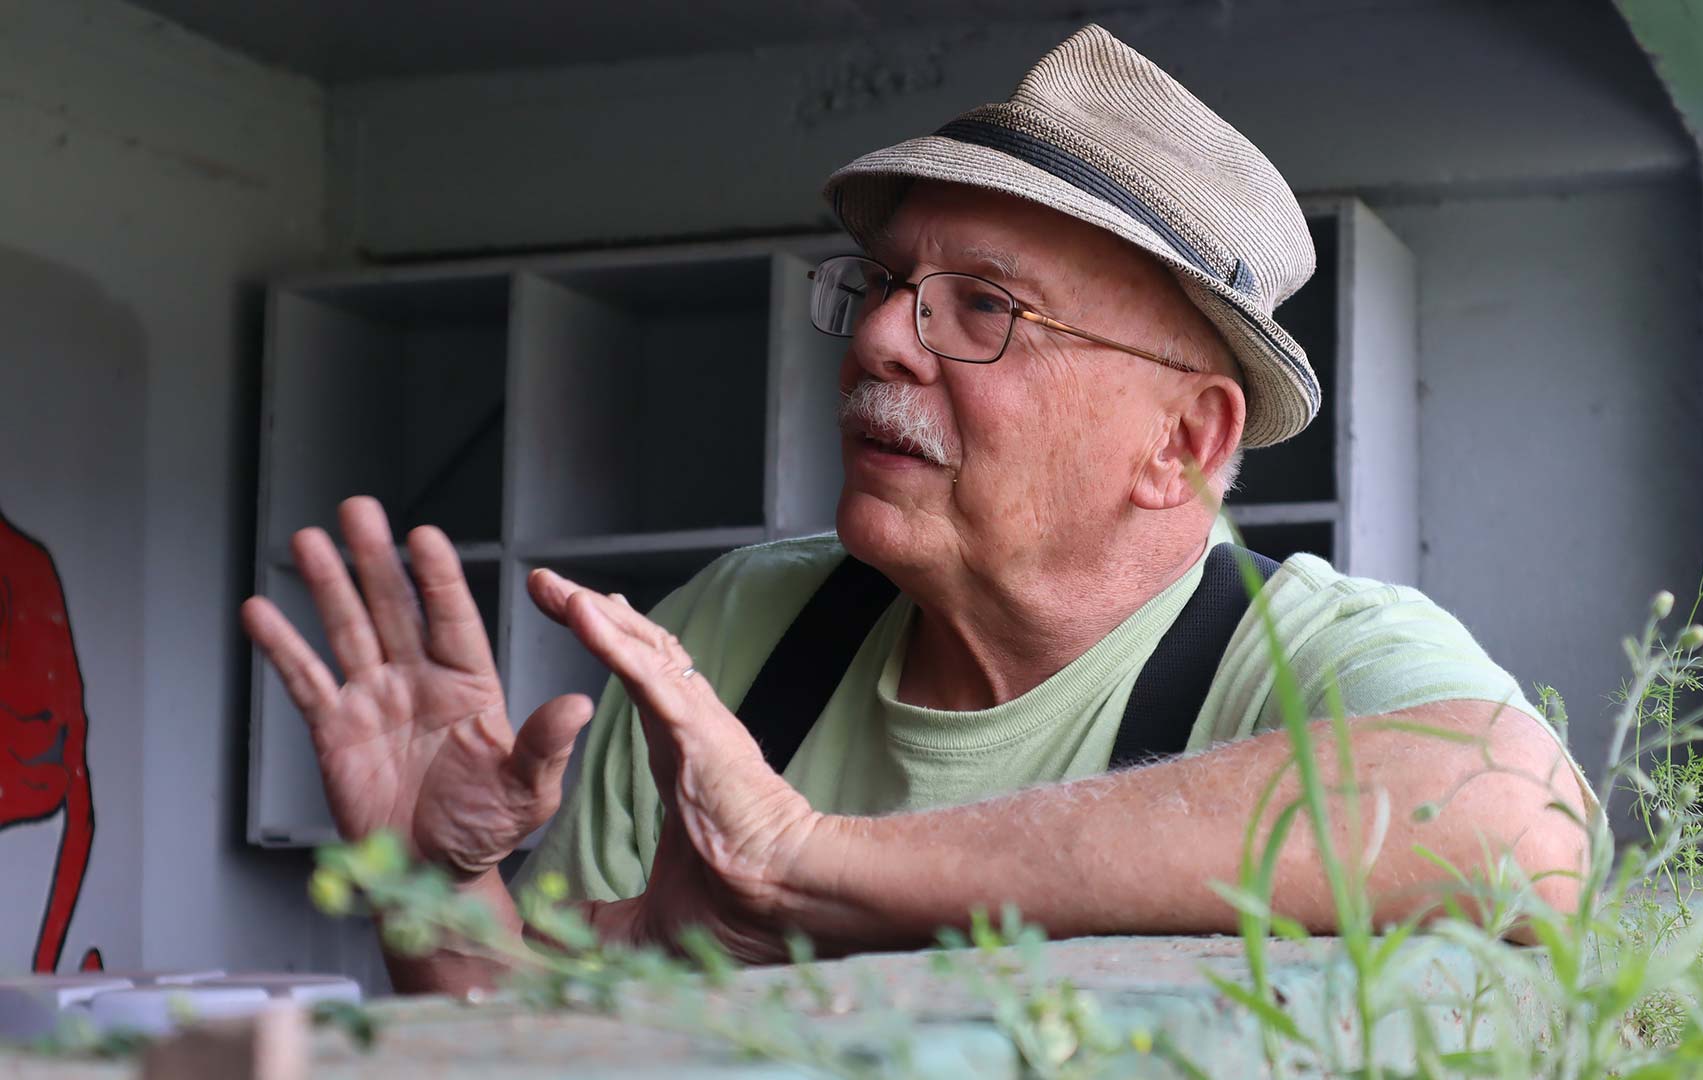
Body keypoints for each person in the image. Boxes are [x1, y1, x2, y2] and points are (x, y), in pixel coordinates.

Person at [242, 25, 1590, 995]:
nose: (881, 337)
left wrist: (807, 866)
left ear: (1183, 439)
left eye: (983, 308)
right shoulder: (730, 628)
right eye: (887, 284)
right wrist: (436, 891)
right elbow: (530, 1040)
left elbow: (1521, 816)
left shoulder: (1305, 660)